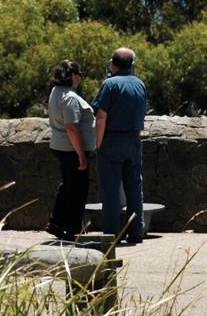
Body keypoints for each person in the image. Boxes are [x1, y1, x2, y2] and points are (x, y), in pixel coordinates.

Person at [92, 47, 148, 244]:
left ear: (113, 64)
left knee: (110, 189)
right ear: (132, 64)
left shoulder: (109, 85)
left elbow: (101, 117)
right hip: (133, 139)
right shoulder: (140, 84)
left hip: (112, 140)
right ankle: (136, 230)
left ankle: (113, 233)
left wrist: (98, 143)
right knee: (134, 187)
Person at [44, 59, 95, 241]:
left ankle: (56, 222)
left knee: (68, 186)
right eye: (79, 75)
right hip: (70, 148)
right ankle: (72, 227)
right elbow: (72, 127)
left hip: (60, 145)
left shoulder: (55, 92)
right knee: (78, 189)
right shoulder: (70, 97)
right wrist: (81, 155)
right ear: (73, 75)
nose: (80, 79)